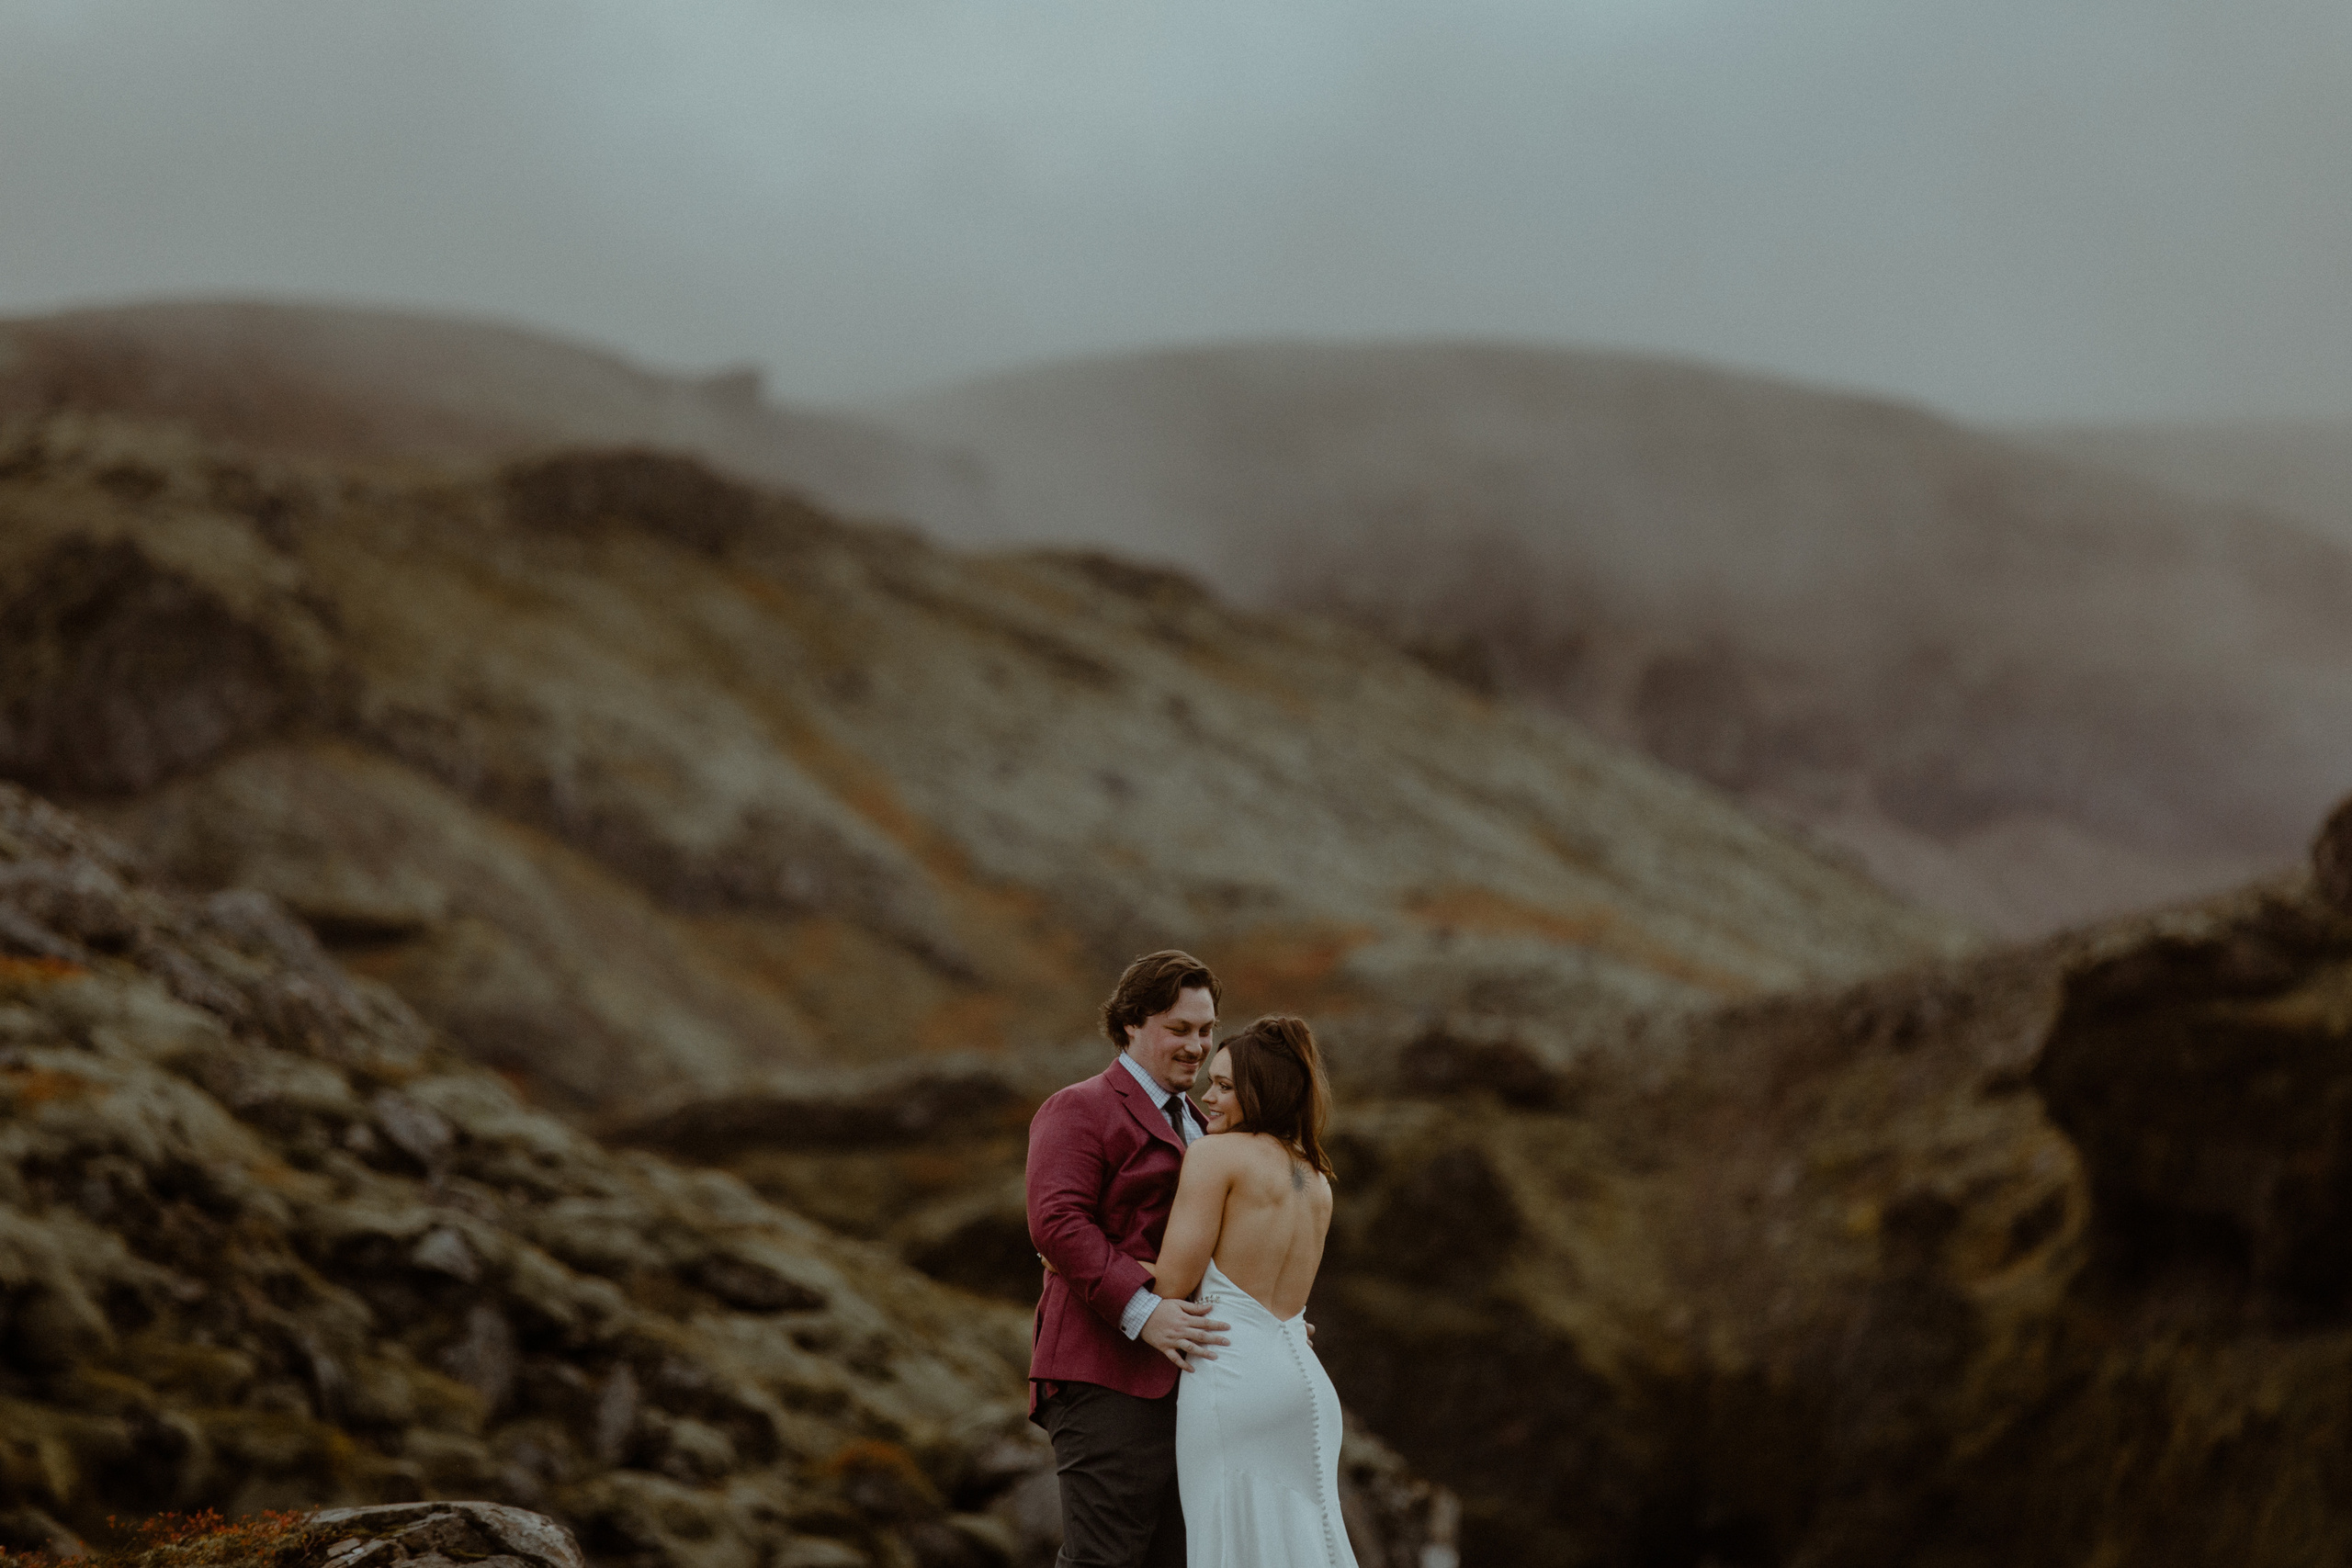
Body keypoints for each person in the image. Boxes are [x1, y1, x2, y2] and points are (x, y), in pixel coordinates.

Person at [1027, 952, 1235, 1568]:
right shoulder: (1079, 1107)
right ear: (1130, 1024)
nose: (1197, 1046)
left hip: (1193, 1386)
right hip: (1104, 1373)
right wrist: (1146, 1312)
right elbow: (1057, 1221)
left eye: (1206, 1030)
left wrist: (1271, 1319)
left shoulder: (1204, 1125)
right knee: (1104, 1560)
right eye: (1180, 1029)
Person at [1148, 1016, 1356, 1568]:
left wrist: (1080, 1262)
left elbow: (1171, 1282)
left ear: (1263, 1091)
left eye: (1224, 1086)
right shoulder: (1316, 1179)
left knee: (1231, 1548)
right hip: (1305, 1386)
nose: (1206, 1096)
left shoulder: (1217, 1157)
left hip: (1233, 1379)